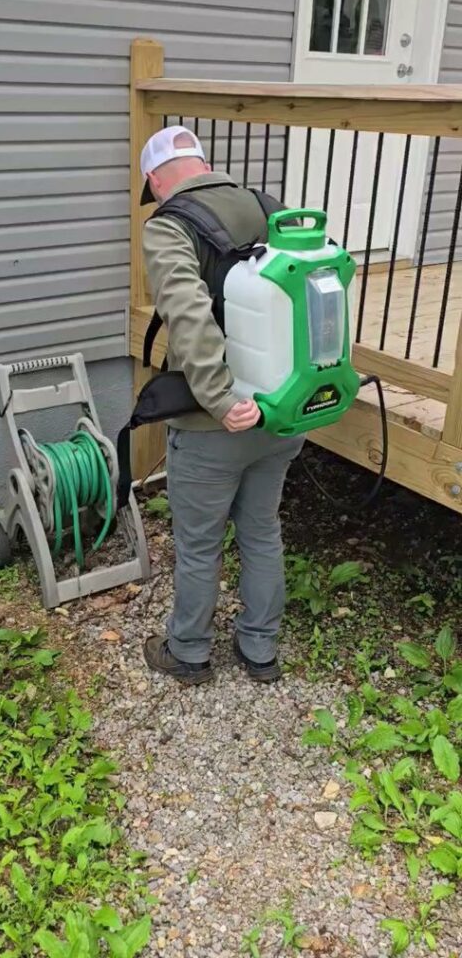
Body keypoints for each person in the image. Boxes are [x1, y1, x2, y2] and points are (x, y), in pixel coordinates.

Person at [140, 125, 304, 686]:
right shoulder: (269, 208)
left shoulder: (168, 227)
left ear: (157, 179)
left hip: (215, 422)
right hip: (283, 411)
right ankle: (260, 652)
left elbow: (188, 315)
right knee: (261, 531)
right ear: (203, 164)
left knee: (200, 545)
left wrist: (219, 398)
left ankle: (187, 652)